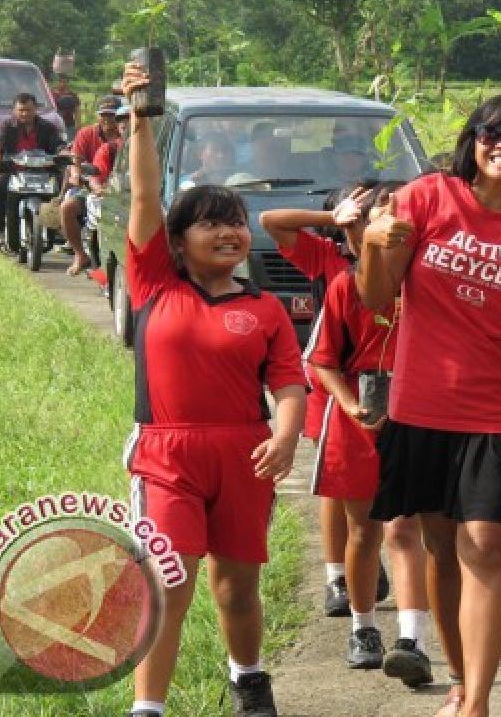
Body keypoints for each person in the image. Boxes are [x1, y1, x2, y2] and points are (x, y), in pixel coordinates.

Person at [356, 94, 501, 717]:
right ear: (473, 139)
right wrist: (373, 241)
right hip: (421, 404)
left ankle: (477, 701)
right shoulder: (428, 197)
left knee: (484, 545)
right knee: (442, 547)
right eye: (494, 132)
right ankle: (458, 677)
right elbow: (378, 296)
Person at [120, 62, 307, 717]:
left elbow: (288, 381)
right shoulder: (154, 285)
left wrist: (286, 436)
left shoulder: (264, 309)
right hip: (166, 457)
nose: (230, 231)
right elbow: (144, 198)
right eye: (210, 223)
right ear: (176, 241)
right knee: (169, 583)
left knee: (236, 589)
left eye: (235, 221)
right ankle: (149, 708)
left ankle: (248, 677)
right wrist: (141, 121)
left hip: (244, 456)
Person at [307, 181, 433, 687]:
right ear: (366, 225)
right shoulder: (346, 285)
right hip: (359, 419)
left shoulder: (430, 283)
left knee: (407, 529)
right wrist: (353, 404)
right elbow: (323, 362)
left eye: (405, 212)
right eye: (385, 211)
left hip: (420, 417)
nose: (395, 220)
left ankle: (412, 639)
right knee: (364, 530)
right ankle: (363, 628)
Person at [260, 187, 374, 618]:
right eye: (358, 215)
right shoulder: (329, 256)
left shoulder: (400, 259)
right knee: (335, 484)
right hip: (331, 386)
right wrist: (334, 220)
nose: (364, 222)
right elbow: (272, 220)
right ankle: (336, 577)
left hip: (386, 388)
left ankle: (363, 561)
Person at [0, 93, 65, 248]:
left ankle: (60, 228)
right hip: (12, 172)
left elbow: (58, 144)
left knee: (62, 189)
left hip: (43, 173)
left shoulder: (48, 127)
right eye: (21, 110)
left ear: (36, 109)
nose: (25, 113)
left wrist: (63, 152)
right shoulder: (6, 125)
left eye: (28, 110)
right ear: (14, 110)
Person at [61, 96, 124, 275]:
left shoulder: (127, 138)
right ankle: (80, 254)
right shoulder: (86, 134)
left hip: (122, 190)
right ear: (97, 116)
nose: (108, 120)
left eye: (112, 116)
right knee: (68, 207)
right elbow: (76, 162)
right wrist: (77, 175)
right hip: (90, 185)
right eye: (103, 115)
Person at [53, 74, 81, 139]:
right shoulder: (51, 94)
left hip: (69, 124)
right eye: (60, 82)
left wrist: (78, 125)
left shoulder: (73, 95)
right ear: (57, 82)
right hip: (55, 124)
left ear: (67, 83)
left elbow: (77, 110)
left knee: (69, 144)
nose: (62, 84)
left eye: (64, 82)